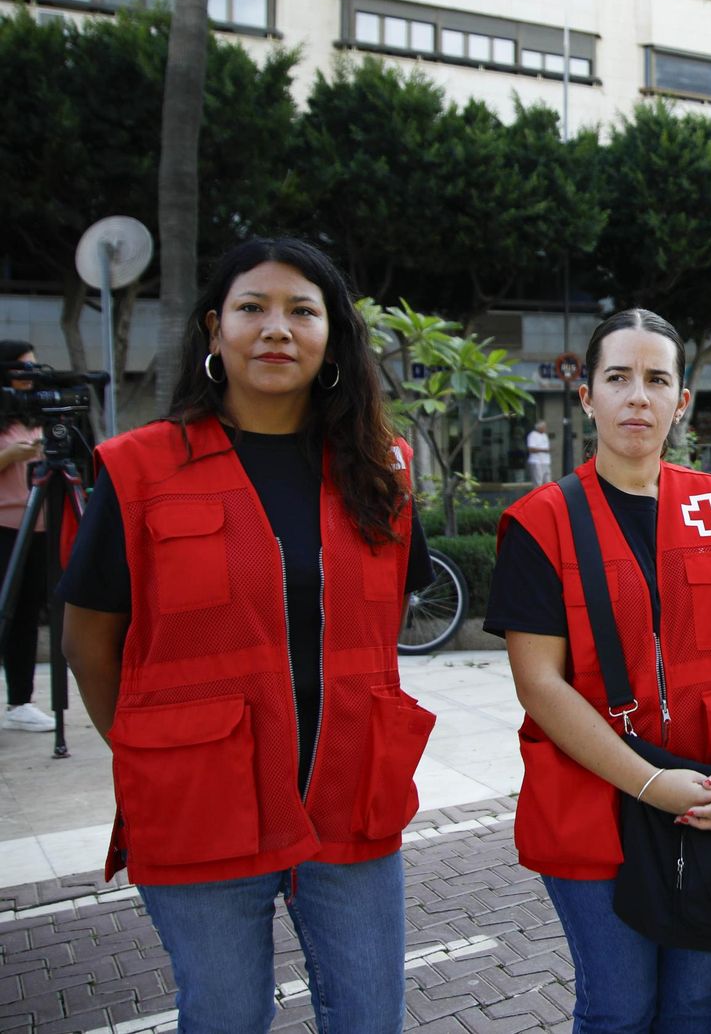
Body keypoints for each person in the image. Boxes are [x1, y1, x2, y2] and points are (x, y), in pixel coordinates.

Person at [60, 237, 437, 1033]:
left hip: (352, 799)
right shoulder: (138, 470)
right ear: (213, 330)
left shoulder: (381, 471)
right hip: (203, 803)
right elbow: (89, 640)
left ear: (332, 338)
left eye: (303, 311)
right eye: (252, 308)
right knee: (226, 1016)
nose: (277, 328)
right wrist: (151, 747)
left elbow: (387, 612)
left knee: (372, 1018)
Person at [485, 308, 711, 1034]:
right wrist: (650, 784)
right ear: (586, 395)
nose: (638, 397)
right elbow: (540, 684)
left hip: (708, 793)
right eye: (617, 378)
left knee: (692, 1004)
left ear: (683, 401)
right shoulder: (541, 521)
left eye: (658, 380)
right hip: (593, 801)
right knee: (620, 1008)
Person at [0, 341, 50, 733]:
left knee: (27, 615)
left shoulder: (37, 413)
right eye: (23, 369)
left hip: (39, 526)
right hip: (3, 526)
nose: (30, 377)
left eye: (35, 369)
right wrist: (9, 456)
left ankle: (20, 701)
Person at [526, 418, 551, 486]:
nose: (545, 428)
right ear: (539, 427)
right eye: (544, 427)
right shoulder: (532, 435)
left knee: (547, 482)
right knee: (538, 482)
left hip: (546, 461)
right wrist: (544, 450)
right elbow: (531, 449)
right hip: (536, 461)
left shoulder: (545, 435)